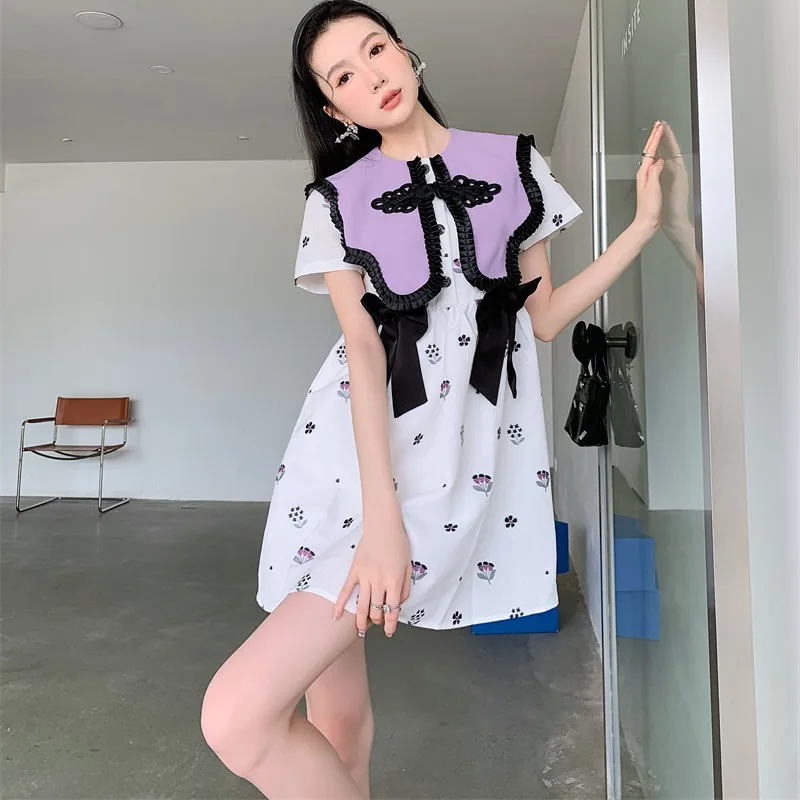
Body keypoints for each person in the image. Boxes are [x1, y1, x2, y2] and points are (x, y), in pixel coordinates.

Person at [200, 2, 665, 797]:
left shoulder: (512, 163)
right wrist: (379, 517)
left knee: (237, 717)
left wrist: (644, 226)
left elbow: (545, 317)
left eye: (375, 48)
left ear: (406, 51)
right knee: (332, 724)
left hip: (446, 468)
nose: (372, 75)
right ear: (333, 108)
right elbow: (362, 350)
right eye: (343, 75)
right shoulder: (335, 199)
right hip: (344, 462)